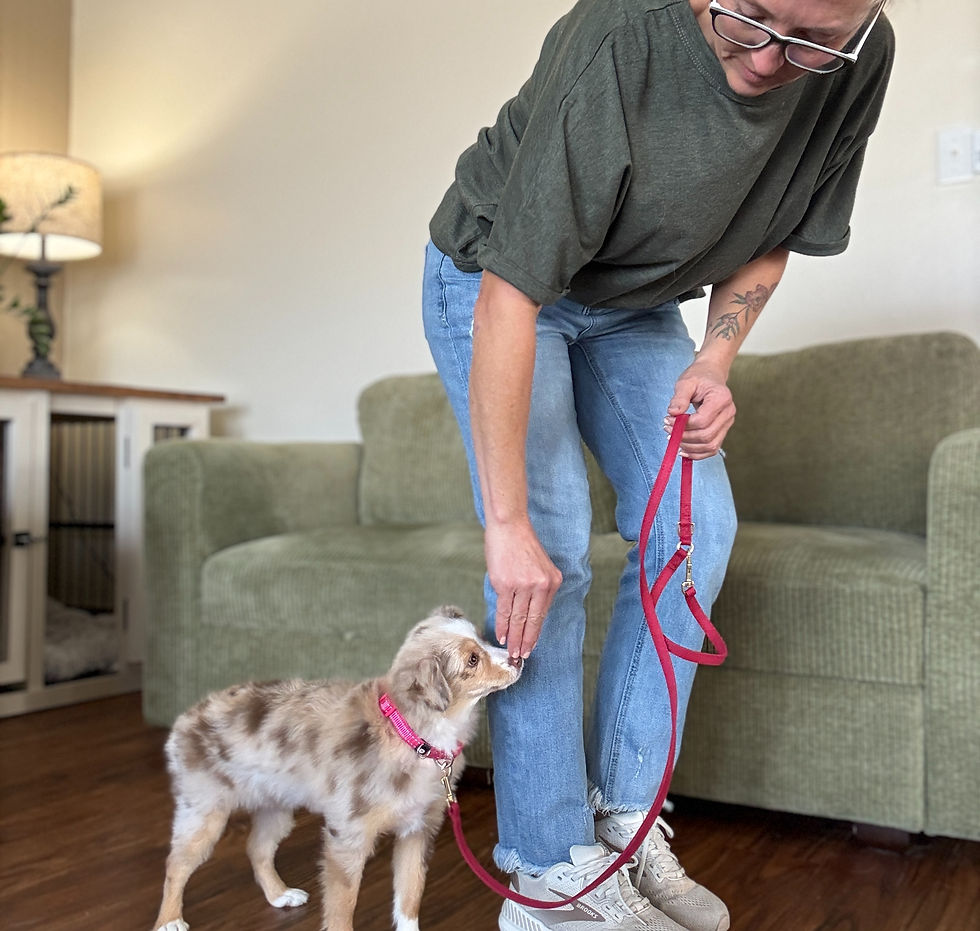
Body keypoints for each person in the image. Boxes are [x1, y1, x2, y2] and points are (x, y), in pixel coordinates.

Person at [422, 1, 894, 929]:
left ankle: (624, 833)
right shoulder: (617, 40)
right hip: (497, 278)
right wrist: (508, 528)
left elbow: (776, 223)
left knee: (698, 528)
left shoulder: (857, 54)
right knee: (548, 551)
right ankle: (546, 869)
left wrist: (713, 359)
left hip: (635, 307)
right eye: (749, 18)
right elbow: (514, 292)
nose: (767, 60)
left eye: (809, 42)